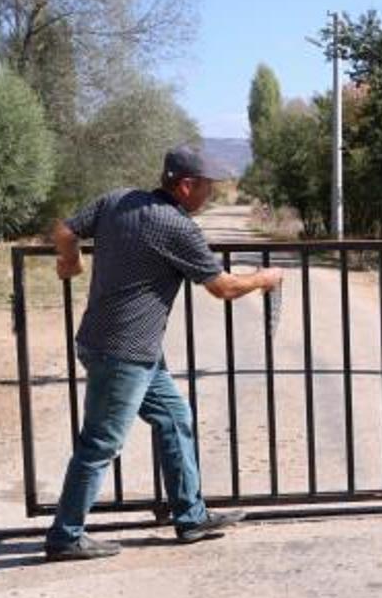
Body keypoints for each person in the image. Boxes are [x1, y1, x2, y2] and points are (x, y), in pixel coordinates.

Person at [44, 145, 283, 562]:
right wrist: (265, 277)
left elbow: (64, 231)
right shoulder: (176, 226)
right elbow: (223, 288)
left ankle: (191, 517)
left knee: (175, 417)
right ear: (186, 185)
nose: (210, 193)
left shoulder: (117, 200)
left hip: (121, 346)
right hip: (123, 353)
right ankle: (65, 535)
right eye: (207, 186)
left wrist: (72, 261)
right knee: (100, 443)